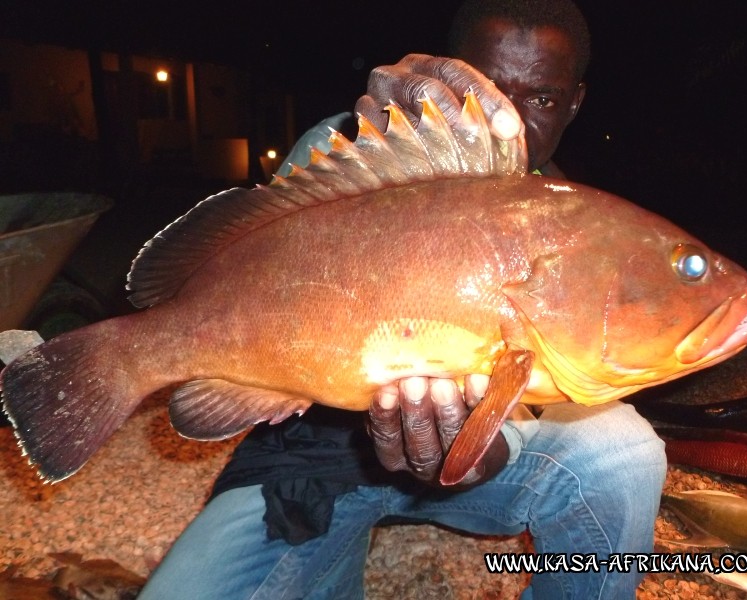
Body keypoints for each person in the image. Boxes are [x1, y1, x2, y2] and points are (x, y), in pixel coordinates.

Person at [138, 1, 666, 598]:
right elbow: (256, 274)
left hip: (470, 469)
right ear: (449, 70)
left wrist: (478, 448)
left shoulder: (573, 227)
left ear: (574, 102)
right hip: (309, 467)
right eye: (490, 88)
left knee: (622, 452)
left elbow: (536, 398)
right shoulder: (349, 146)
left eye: (541, 99)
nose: (511, 121)